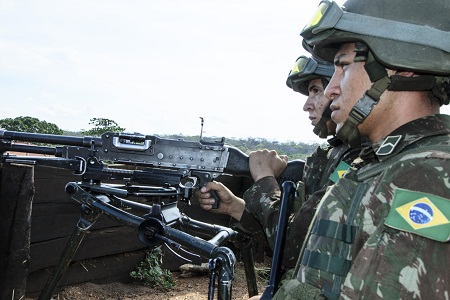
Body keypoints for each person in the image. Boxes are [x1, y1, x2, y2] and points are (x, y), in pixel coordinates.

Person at [263, 0, 450, 299]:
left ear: (400, 65)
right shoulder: (383, 164)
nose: (330, 90)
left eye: (343, 67)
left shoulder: (426, 175)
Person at [198, 55, 363, 268]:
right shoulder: (334, 153)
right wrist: (235, 207)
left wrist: (264, 178)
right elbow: (285, 233)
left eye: (315, 91)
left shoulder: (357, 160)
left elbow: (295, 247)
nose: (307, 105)